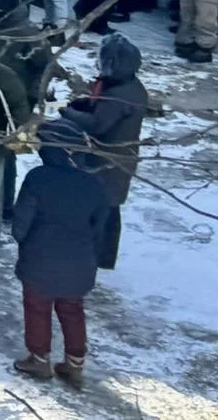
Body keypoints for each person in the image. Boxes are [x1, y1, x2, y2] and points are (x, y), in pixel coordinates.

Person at [10, 117, 111, 387]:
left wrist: (25, 242)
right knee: (72, 310)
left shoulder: (38, 178)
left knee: (38, 309)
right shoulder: (93, 183)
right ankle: (75, 364)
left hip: (39, 258)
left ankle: (39, 360)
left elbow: (21, 223)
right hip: (79, 261)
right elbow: (101, 226)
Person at [59, 30, 145, 269]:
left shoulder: (121, 95)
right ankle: (100, 256)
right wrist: (84, 104)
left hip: (110, 159)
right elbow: (100, 109)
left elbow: (98, 124)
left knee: (104, 207)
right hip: (112, 156)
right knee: (107, 205)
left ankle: (96, 256)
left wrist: (69, 112)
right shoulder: (124, 86)